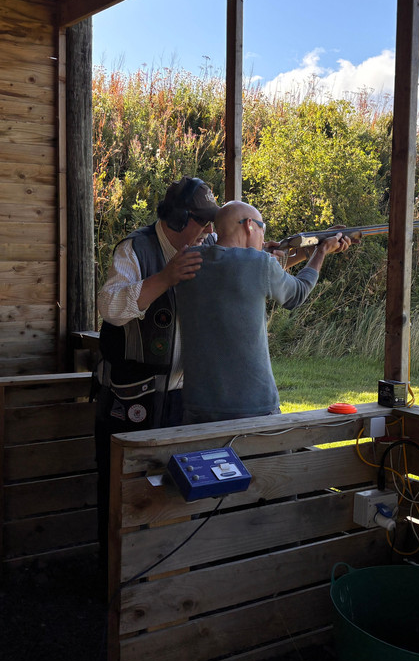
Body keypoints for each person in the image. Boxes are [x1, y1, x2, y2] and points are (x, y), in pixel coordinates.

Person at [93, 176, 218, 558]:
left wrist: (309, 255)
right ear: (180, 219)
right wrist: (165, 277)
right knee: (124, 489)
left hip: (184, 396)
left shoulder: (205, 245)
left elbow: (253, 262)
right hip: (133, 398)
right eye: (202, 220)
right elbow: (111, 308)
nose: (210, 229)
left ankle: (165, 575)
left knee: (178, 488)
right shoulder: (136, 248)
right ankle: (114, 576)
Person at [174, 201, 352, 424]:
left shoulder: (188, 260)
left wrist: (283, 256)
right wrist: (320, 252)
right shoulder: (259, 264)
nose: (262, 235)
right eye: (262, 228)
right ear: (249, 225)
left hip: (197, 404)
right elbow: (296, 294)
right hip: (253, 405)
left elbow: (234, 273)